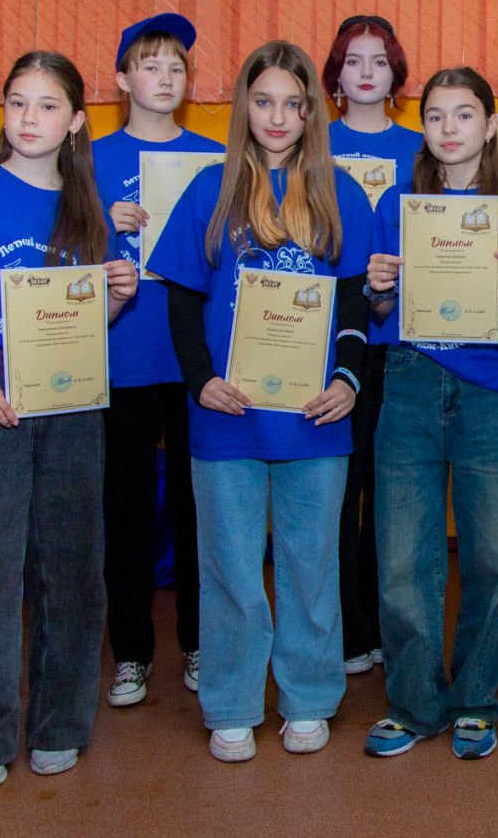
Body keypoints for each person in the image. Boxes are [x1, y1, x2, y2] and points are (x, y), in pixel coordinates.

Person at [0, 51, 138, 789]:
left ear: (75, 122)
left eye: (47, 106)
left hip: (70, 395)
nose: (28, 118)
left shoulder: (88, 207)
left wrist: (117, 296)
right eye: (16, 103)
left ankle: (59, 724)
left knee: (73, 569)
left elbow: (88, 319)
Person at [146, 40, 371, 764]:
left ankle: (309, 698)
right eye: (264, 100)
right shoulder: (209, 189)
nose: (277, 116)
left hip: (315, 417)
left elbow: (354, 305)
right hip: (227, 414)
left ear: (311, 113)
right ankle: (233, 703)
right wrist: (199, 379)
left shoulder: (341, 193)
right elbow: (183, 299)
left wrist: (347, 379)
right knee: (230, 570)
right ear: (245, 105)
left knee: (311, 567)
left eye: (293, 104)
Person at [361, 67, 498, 760]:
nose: (449, 128)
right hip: (410, 381)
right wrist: (379, 287)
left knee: (490, 556)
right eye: (435, 116)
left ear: (490, 125)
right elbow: (381, 309)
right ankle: (413, 702)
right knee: (403, 554)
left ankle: (473, 698)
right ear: (423, 126)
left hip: (490, 391)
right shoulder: (397, 204)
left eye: (464, 115)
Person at [93, 12, 219, 708]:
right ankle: (132, 654)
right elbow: (54, 255)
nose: (166, 78)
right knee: (128, 512)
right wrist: (102, 226)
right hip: (121, 360)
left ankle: (199, 642)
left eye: (177, 67)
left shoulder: (216, 159)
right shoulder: (89, 161)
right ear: (122, 79)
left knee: (201, 510)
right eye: (150, 66)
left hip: (197, 360)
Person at [324, 14, 424, 677]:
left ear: (396, 74)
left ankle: (390, 623)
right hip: (330, 337)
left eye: (379, 61)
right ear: (335, 73)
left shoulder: (421, 148)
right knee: (341, 484)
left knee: (393, 492)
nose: (366, 72)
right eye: (354, 60)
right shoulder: (311, 143)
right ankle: (346, 626)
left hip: (401, 338)